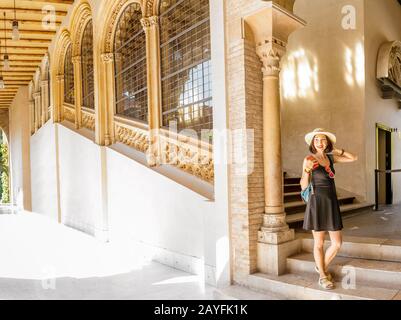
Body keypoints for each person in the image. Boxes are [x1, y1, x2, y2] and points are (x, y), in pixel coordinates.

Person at [300, 128, 358, 290]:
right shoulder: (309, 159)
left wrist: (335, 150)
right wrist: (306, 170)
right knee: (319, 243)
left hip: (331, 202)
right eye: (317, 140)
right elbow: (303, 184)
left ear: (327, 143)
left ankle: (321, 268)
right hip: (316, 202)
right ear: (313, 143)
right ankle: (323, 277)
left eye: (323, 140)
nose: (320, 142)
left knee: (337, 243)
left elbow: (353, 157)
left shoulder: (330, 159)